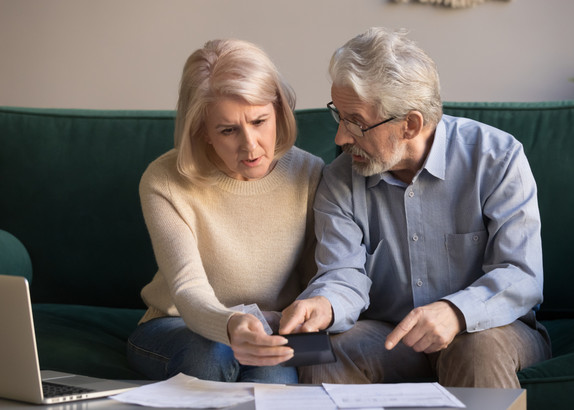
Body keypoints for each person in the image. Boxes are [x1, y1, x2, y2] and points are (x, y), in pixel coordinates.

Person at [278, 27, 551, 388]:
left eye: (356, 122)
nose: (340, 137)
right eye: (339, 116)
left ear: (410, 124)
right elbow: (342, 273)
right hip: (391, 337)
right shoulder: (340, 178)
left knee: (474, 347)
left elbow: (521, 274)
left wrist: (456, 312)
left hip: (489, 329)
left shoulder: (496, 158)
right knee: (320, 349)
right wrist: (325, 305)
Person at [127, 38, 324, 384]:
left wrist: (286, 325)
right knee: (211, 353)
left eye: (260, 121)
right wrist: (231, 325)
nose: (250, 146)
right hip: (177, 325)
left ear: (278, 109)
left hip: (273, 328)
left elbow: (317, 280)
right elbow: (188, 289)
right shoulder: (163, 181)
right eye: (228, 130)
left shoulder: (309, 173)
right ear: (201, 130)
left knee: (275, 377)